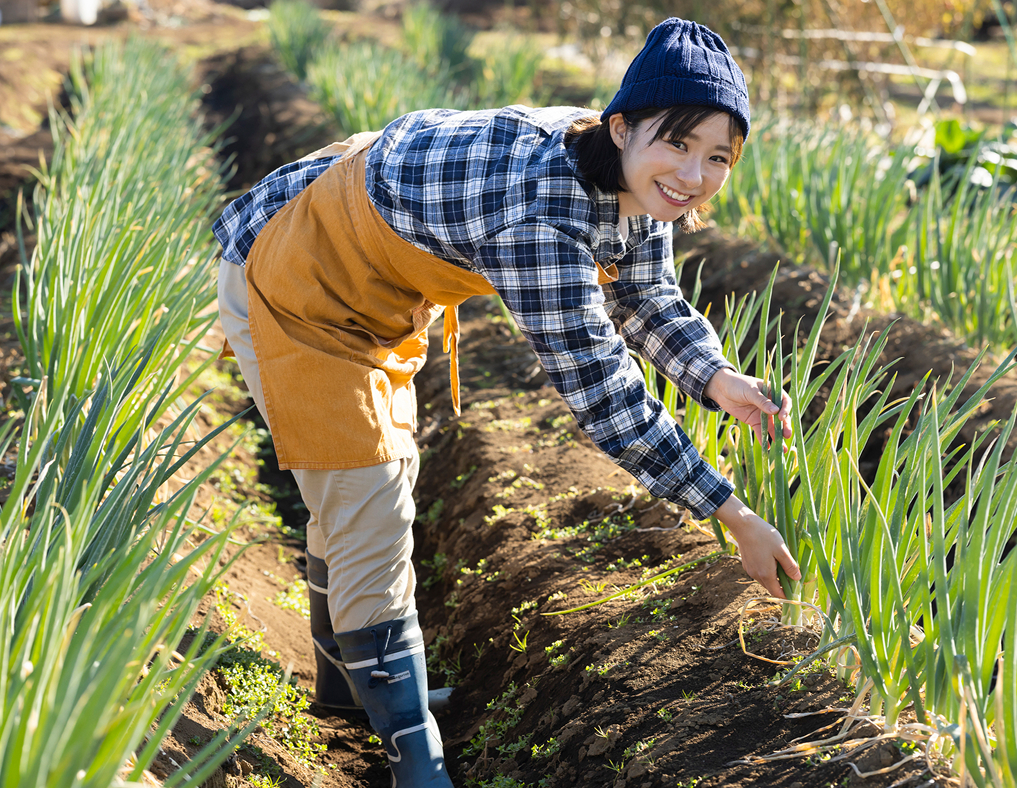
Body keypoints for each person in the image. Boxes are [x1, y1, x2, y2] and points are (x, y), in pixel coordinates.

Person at [212, 16, 802, 787]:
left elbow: (646, 292)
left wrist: (717, 379)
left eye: (718, 156)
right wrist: (732, 512)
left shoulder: (630, 180)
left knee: (358, 491)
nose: (693, 175)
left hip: (372, 290)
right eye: (678, 144)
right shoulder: (541, 213)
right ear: (621, 127)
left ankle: (352, 692)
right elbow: (603, 391)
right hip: (298, 278)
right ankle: (412, 755)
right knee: (368, 495)